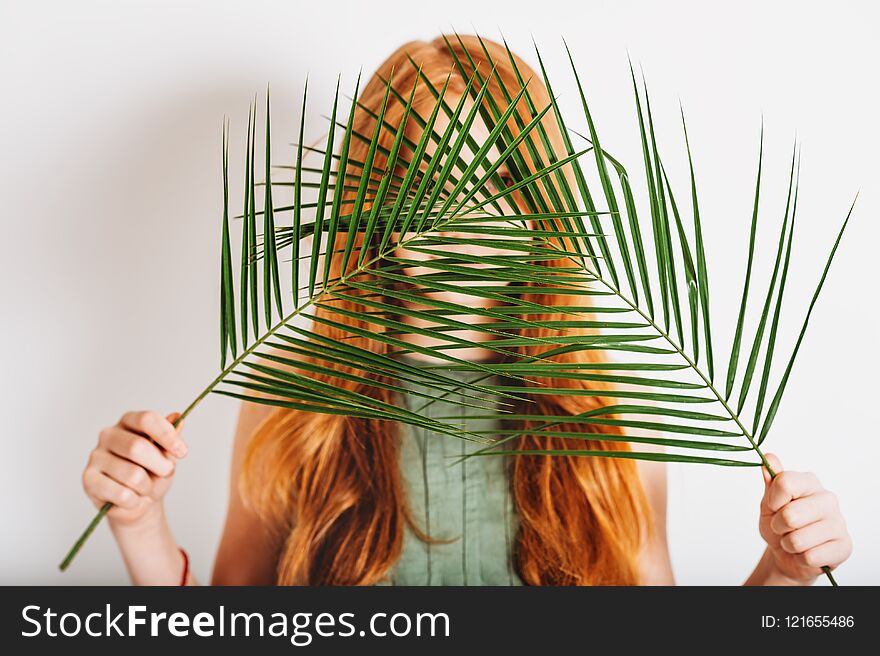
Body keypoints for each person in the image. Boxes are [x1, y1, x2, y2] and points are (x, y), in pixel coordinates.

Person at [80, 34, 852, 586]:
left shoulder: (602, 404)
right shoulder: (297, 394)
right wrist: (138, 522)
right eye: (423, 177)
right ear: (372, 200)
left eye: (492, 182)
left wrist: (783, 573)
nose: (458, 216)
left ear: (538, 201)